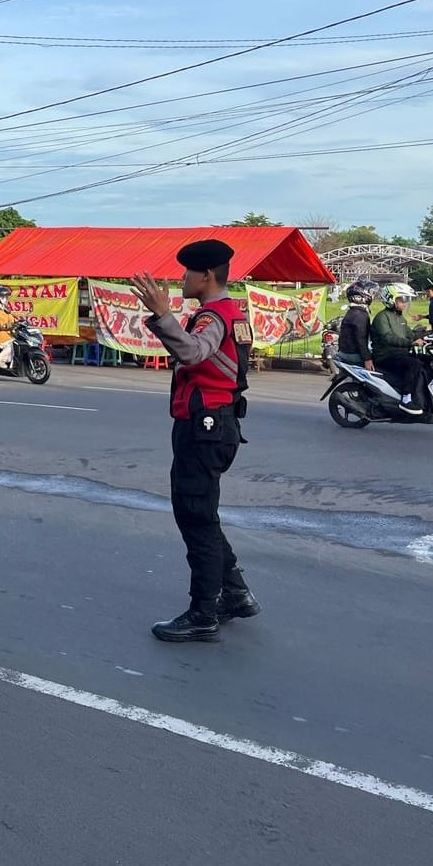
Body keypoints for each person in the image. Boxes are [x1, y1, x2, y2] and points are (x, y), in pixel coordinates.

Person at [130, 239, 257, 643]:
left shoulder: (212, 317)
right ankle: (235, 594)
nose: (181, 279)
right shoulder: (233, 313)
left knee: (196, 517)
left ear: (205, 276)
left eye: (187, 273)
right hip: (217, 425)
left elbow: (195, 355)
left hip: (205, 427)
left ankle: (203, 613)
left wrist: (163, 315)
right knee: (200, 512)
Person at [370, 283, 428, 415]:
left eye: (405, 300)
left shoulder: (400, 317)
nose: (405, 303)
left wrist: (427, 337)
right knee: (414, 364)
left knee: (426, 361)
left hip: (400, 353)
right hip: (386, 356)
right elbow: (388, 338)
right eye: (401, 300)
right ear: (391, 299)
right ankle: (406, 399)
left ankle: (420, 397)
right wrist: (411, 344)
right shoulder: (382, 318)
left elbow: (410, 334)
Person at [335, 280, 376, 368]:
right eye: (370, 293)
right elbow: (360, 339)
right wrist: (367, 359)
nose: (372, 296)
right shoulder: (361, 315)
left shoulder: (352, 311)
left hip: (344, 351)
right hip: (353, 354)